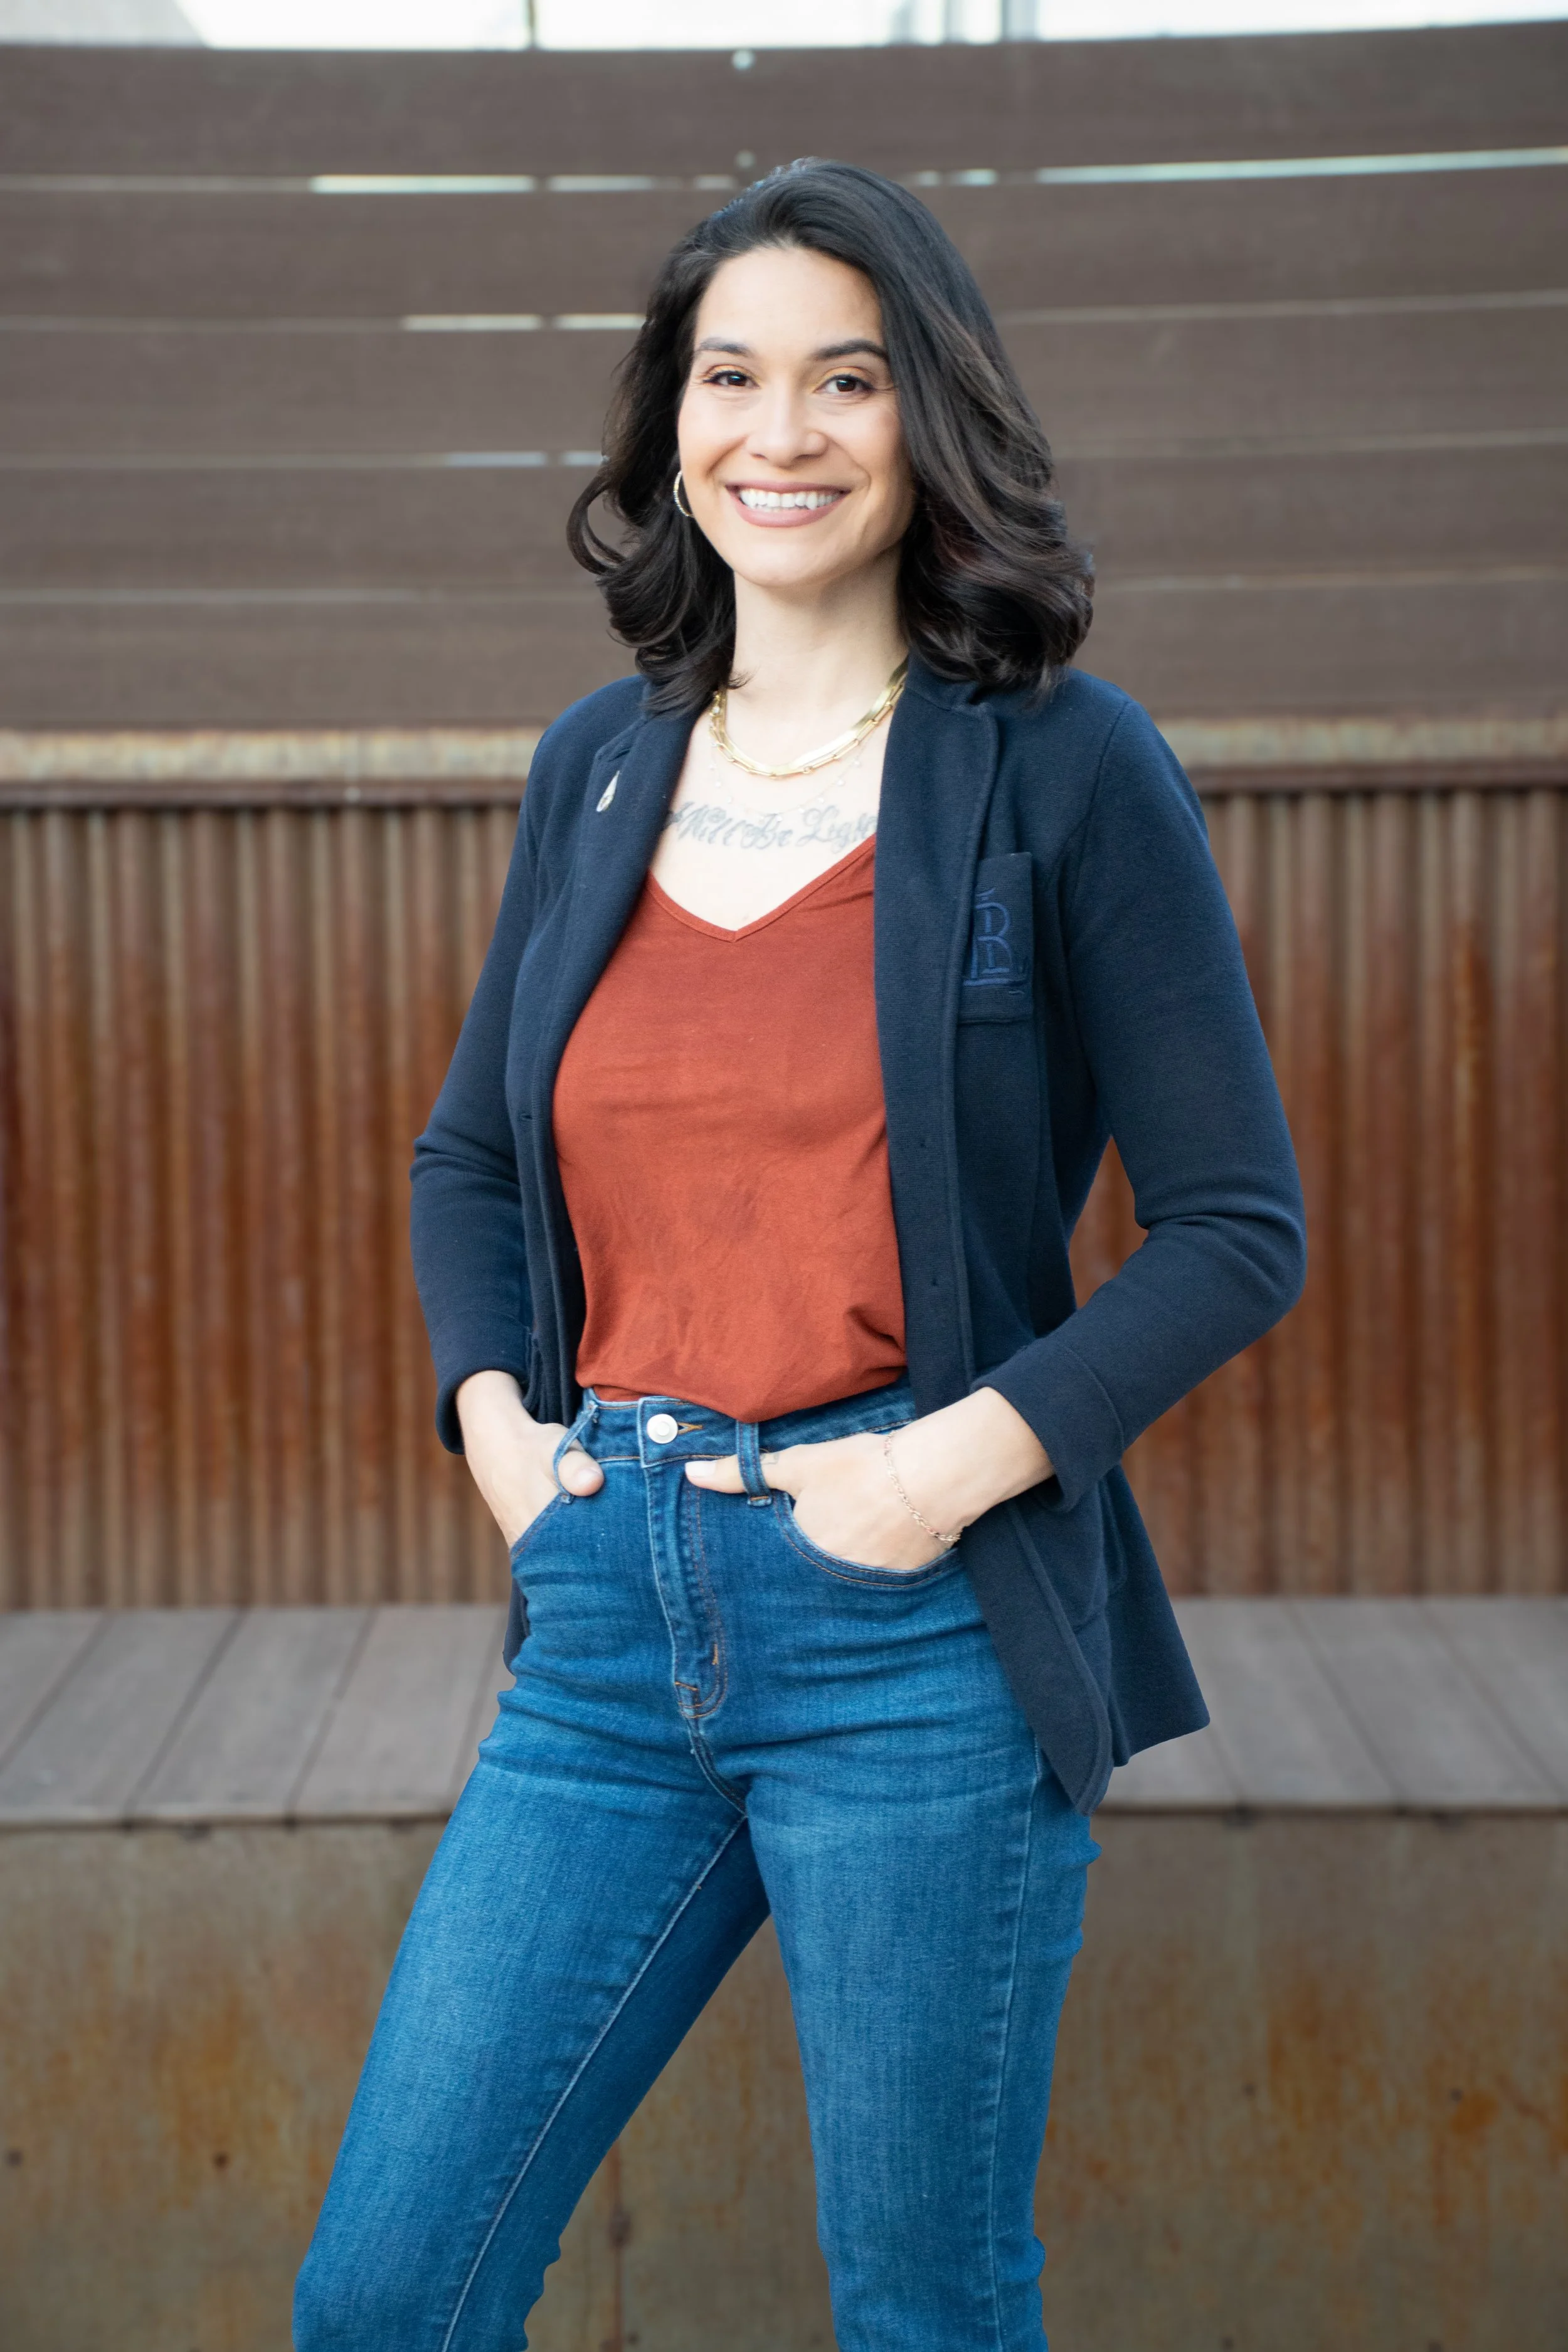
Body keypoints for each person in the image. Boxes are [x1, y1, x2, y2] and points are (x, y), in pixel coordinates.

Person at [294, 159, 1305, 2352]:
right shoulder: (595, 770)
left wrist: (936, 1474)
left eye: (846, 377)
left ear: (924, 416)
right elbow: (470, 1156)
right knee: (386, 2291)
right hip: (600, 1622)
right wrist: (502, 1442)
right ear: (672, 424)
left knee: (925, 2307)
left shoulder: (1063, 770)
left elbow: (1237, 1229)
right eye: (731, 376)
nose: (782, 432)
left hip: (915, 1636)